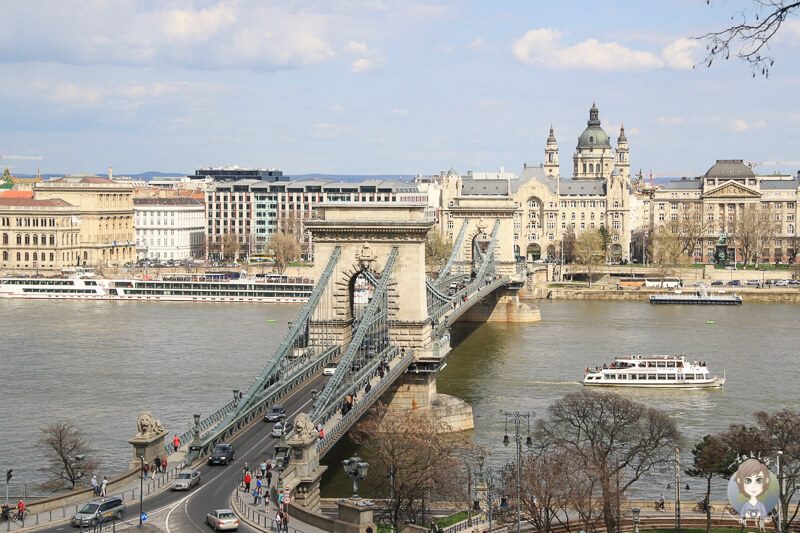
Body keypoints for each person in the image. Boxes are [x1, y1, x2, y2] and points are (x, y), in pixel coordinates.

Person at [734, 458, 771, 524]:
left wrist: (761, 518)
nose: (753, 486)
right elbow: (742, 515)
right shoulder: (746, 505)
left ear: (766, 481)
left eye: (759, 480)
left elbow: (763, 515)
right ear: (740, 481)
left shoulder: (760, 505)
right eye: (748, 480)